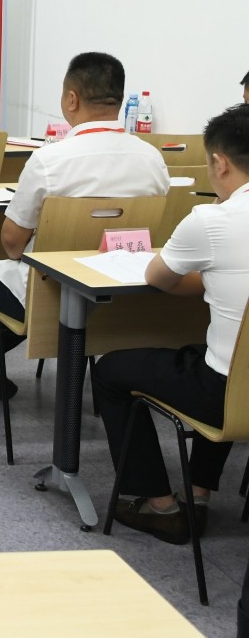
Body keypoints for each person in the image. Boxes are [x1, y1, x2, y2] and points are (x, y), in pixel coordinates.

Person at [0, 52, 169, 398]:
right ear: (118, 98)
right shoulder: (152, 158)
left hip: (50, 292)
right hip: (125, 296)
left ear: (71, 99)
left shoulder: (50, 159)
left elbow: (12, 243)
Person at [94, 103, 249, 544]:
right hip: (239, 383)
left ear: (219, 163)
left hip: (229, 394)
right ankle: (198, 493)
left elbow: (157, 278)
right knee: (216, 355)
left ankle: (158, 505)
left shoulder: (212, 220)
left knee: (110, 371)